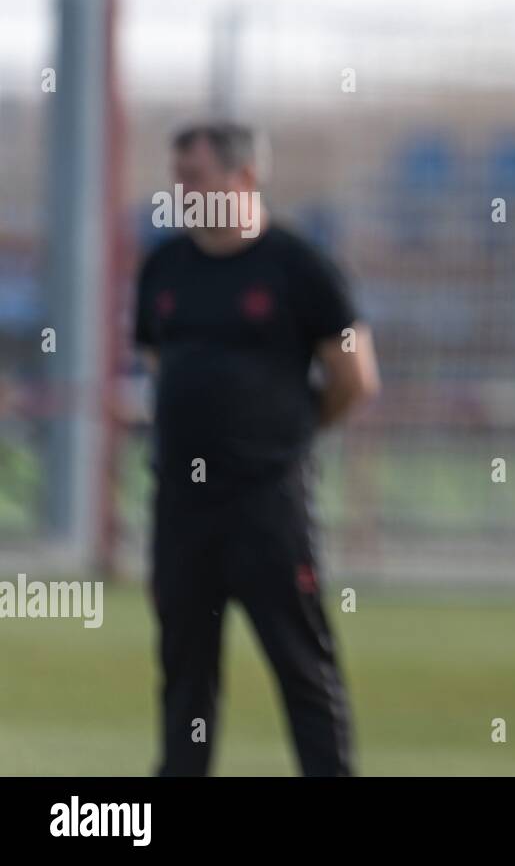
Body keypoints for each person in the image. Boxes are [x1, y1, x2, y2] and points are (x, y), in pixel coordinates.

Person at [133, 121, 380, 775]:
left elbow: (357, 376)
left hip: (268, 506)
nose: (181, 189)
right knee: (184, 670)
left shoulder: (301, 267)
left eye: (195, 175)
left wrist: (287, 437)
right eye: (177, 175)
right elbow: (160, 361)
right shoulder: (163, 265)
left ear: (242, 177)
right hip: (182, 508)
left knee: (302, 665)